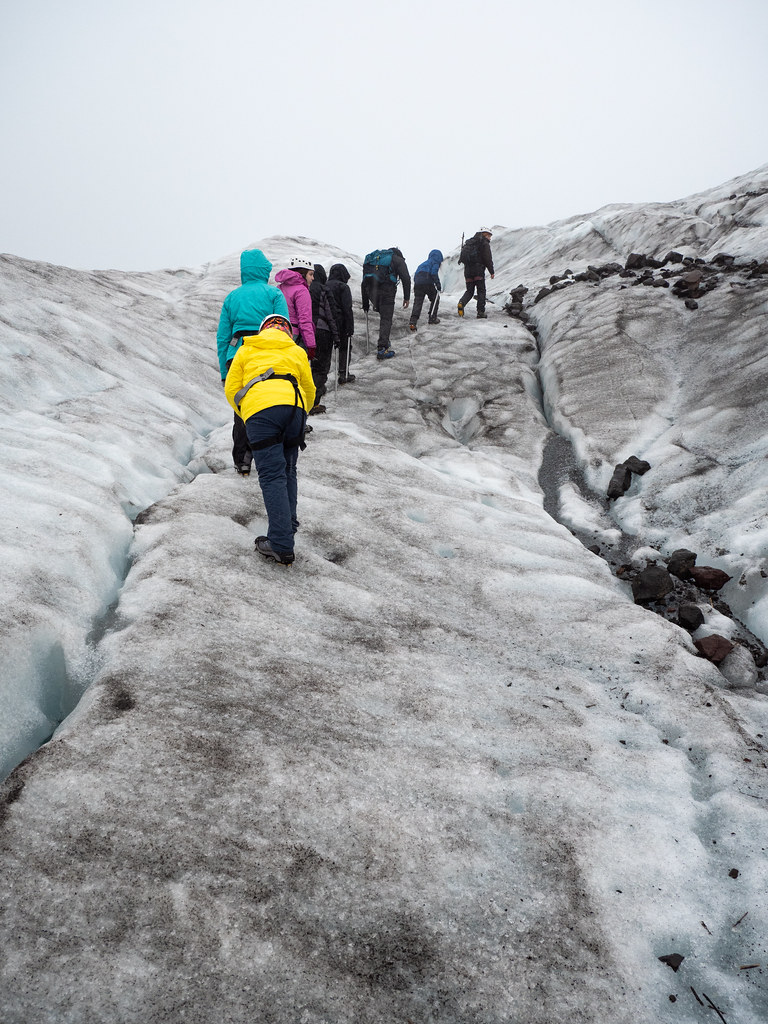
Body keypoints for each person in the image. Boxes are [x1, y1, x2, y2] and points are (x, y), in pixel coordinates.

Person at [224, 314, 316, 566]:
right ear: (287, 331)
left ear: (263, 329)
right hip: (294, 408)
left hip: (261, 411)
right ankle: (287, 525)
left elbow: (232, 389)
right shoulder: (295, 350)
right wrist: (300, 413)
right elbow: (309, 389)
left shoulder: (247, 348)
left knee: (272, 476)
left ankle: (281, 544)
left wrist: (248, 413)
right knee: (288, 469)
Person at [216, 249, 290, 476]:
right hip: (267, 355)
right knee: (269, 401)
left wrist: (224, 371)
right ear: (264, 270)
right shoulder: (274, 295)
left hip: (238, 355)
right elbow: (284, 329)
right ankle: (270, 451)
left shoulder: (232, 297)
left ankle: (242, 460)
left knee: (242, 406)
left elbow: (222, 338)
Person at [361, 247, 411, 360]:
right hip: (386, 291)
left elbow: (364, 282)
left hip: (371, 292)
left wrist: (365, 303)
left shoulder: (374, 260)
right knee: (386, 318)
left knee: (384, 315)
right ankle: (382, 348)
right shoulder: (398, 260)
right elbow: (406, 278)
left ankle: (384, 340)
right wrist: (406, 298)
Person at [308, 264, 341, 412]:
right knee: (321, 368)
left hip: (306, 332)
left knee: (307, 368)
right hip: (322, 333)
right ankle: (313, 403)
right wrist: (336, 336)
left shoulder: (304, 288)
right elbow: (331, 314)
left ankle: (303, 400)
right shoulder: (323, 289)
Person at [275, 258, 317, 358]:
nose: (313, 278)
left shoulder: (279, 288)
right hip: (294, 335)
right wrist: (311, 345)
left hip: (277, 333)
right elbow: (305, 320)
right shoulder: (302, 291)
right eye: (310, 274)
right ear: (303, 273)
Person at [326, 263, 356, 385]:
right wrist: (350, 327)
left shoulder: (325, 285)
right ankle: (343, 373)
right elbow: (347, 308)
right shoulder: (343, 287)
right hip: (341, 320)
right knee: (345, 346)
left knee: (327, 348)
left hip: (326, 321)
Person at [458, 228, 495, 319]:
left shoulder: (470, 242)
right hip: (478, 270)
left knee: (469, 291)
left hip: (467, 271)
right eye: (489, 236)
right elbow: (487, 258)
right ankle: (480, 312)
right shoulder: (484, 243)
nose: (490, 238)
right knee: (481, 291)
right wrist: (491, 271)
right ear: (485, 234)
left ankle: (461, 303)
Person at [409, 249, 444, 331]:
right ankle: (432, 317)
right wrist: (438, 284)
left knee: (418, 302)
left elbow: (416, 275)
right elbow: (433, 273)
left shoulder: (423, 264)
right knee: (435, 298)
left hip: (418, 283)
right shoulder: (435, 262)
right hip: (427, 281)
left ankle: (413, 321)